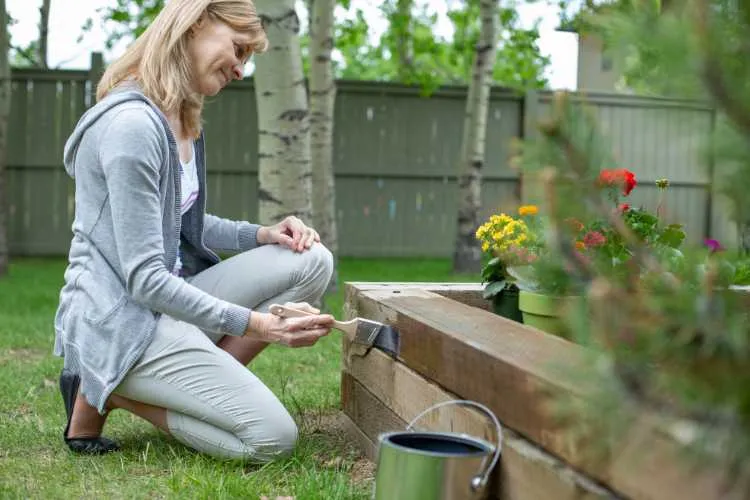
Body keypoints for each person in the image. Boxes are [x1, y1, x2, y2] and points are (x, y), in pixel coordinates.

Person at [53, 0, 336, 462]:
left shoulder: (181, 117)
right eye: (239, 49)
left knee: (310, 260)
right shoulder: (132, 127)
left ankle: (179, 385)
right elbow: (145, 280)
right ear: (197, 20)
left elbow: (180, 223)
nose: (242, 70)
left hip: (163, 306)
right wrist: (259, 325)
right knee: (272, 440)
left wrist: (264, 234)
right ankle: (114, 386)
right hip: (122, 321)